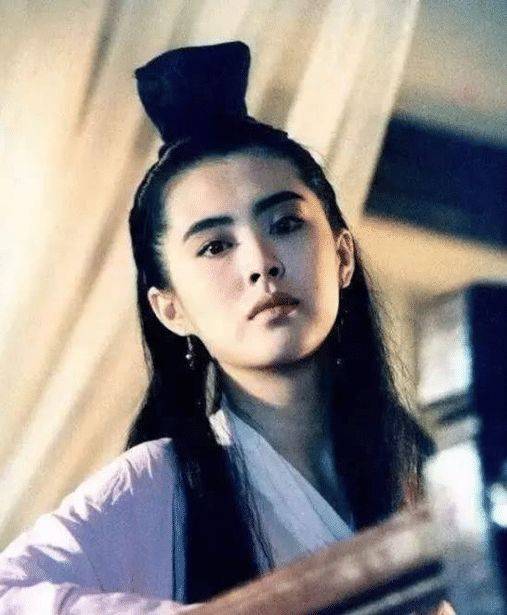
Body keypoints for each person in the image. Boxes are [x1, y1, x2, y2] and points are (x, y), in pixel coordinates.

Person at [0, 42, 449, 614]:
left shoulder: (426, 469)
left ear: (342, 256)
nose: (261, 262)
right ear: (170, 309)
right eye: (215, 246)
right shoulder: (157, 484)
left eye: (285, 223)